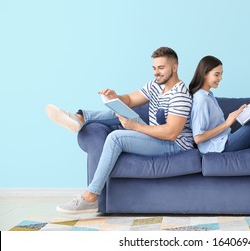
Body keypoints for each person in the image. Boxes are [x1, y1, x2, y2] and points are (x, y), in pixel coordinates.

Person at [46, 47, 194, 214]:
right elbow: (130, 99)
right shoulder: (156, 86)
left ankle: (91, 196)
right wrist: (115, 97)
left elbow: (171, 133)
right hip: (156, 135)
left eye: (161, 68)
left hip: (174, 145)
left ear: (174, 67)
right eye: (154, 68)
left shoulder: (180, 95)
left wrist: (136, 126)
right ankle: (80, 118)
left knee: (116, 138)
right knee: (120, 109)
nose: (156, 73)